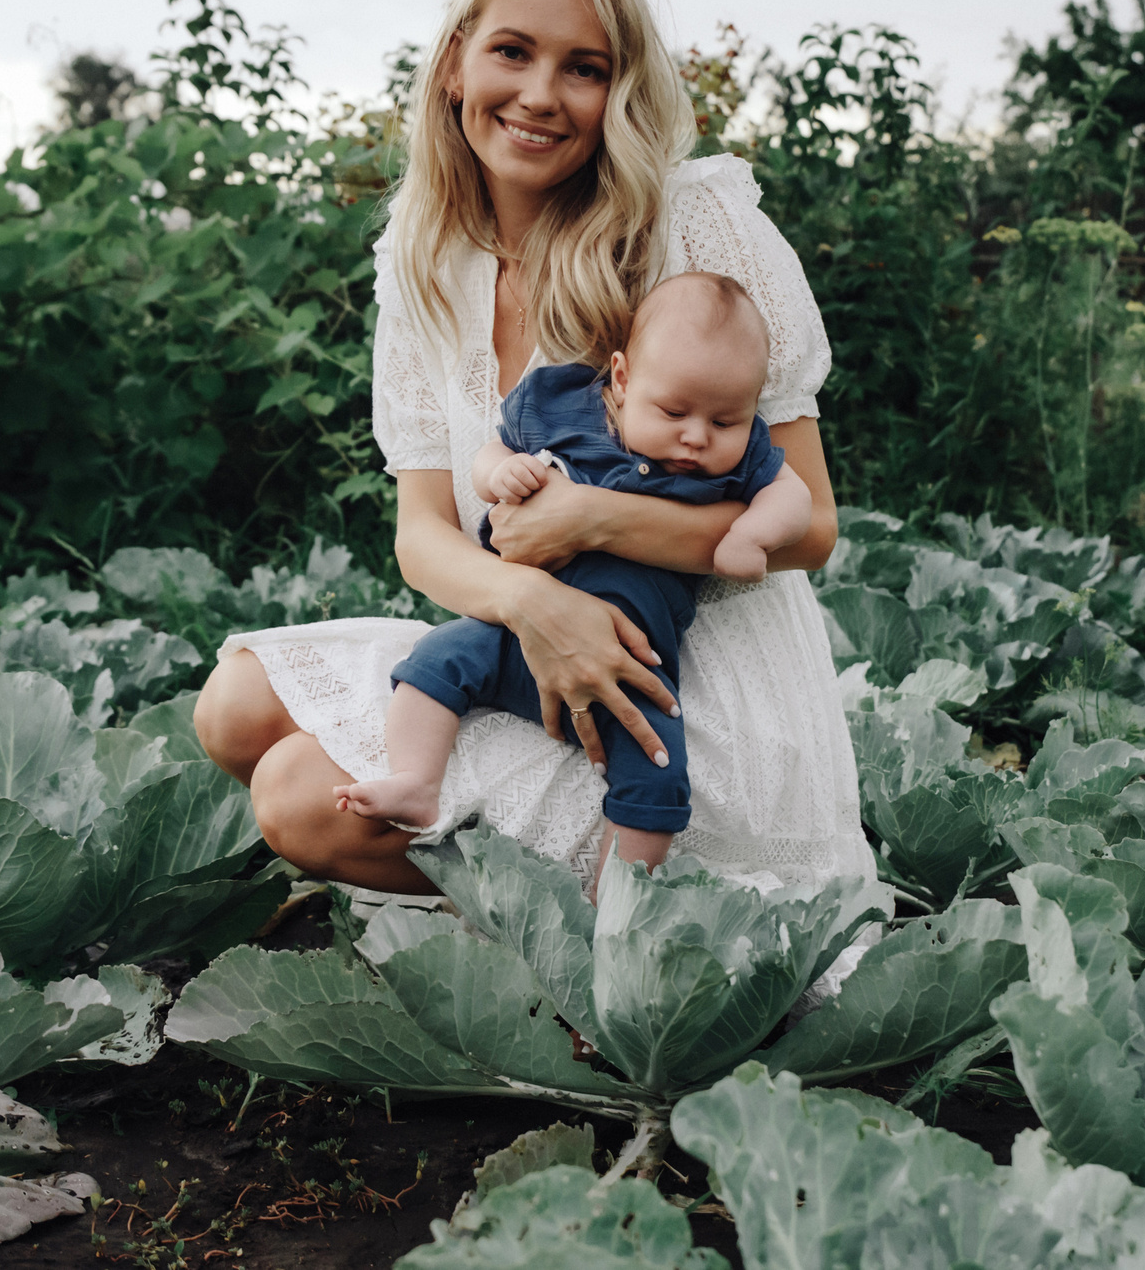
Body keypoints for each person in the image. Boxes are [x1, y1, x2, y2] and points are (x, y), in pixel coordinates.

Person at [191, 0, 875, 902]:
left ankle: (610, 925)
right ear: (456, 67)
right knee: (234, 706)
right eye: (512, 51)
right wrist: (534, 604)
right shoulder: (424, 258)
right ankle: (519, 918)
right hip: (532, 645)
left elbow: (808, 526)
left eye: (584, 68)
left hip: (683, 689)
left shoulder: (695, 226)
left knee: (298, 797)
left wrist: (593, 518)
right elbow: (423, 534)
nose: (541, 95)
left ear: (619, 94)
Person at [330, 271, 814, 878]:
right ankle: (416, 779)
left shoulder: (743, 458)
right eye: (673, 411)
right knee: (435, 662)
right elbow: (494, 449)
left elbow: (798, 500)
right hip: (516, 633)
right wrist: (497, 474)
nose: (695, 437)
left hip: (629, 669)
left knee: (659, 766)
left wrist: (751, 533)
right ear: (621, 377)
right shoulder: (564, 406)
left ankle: (617, 891)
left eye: (725, 422)